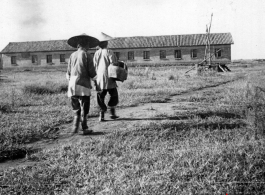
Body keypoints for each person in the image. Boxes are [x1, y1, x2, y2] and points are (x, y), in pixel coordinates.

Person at [66, 33, 99, 134]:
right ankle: (84, 128)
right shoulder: (87, 55)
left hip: (72, 83)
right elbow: (92, 72)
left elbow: (68, 72)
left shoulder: (72, 55)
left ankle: (75, 125)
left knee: (75, 106)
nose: (89, 47)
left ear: (78, 45)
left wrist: (71, 81)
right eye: (88, 45)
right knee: (85, 105)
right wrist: (96, 82)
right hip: (83, 83)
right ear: (86, 45)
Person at [93, 32, 119, 122]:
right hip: (109, 77)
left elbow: (95, 65)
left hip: (99, 78)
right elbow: (113, 64)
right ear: (106, 43)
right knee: (114, 94)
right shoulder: (109, 51)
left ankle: (102, 114)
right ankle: (112, 113)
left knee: (100, 96)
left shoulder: (96, 53)